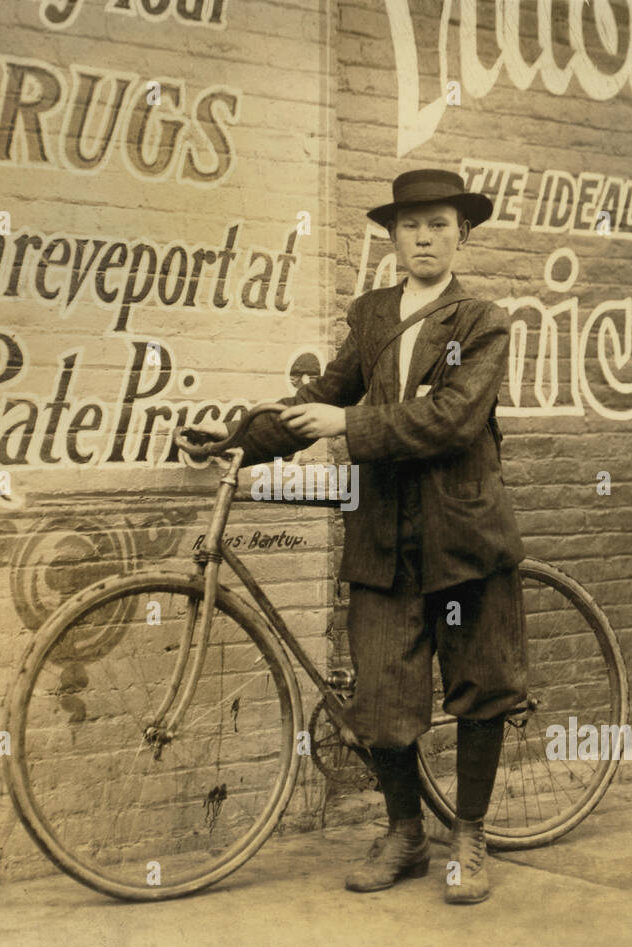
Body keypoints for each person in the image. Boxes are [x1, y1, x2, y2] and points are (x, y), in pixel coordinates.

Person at [197, 169, 526, 904]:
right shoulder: (374, 315)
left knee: (480, 686)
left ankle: (469, 833)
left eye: (439, 224)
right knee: (381, 694)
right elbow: (321, 399)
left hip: (463, 532)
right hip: (383, 537)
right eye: (410, 226)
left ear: (461, 234)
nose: (424, 238)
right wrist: (237, 439)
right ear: (392, 237)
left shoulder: (482, 320)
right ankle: (405, 833)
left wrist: (351, 425)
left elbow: (453, 418)